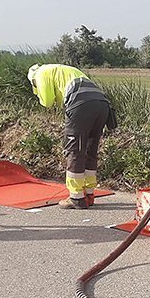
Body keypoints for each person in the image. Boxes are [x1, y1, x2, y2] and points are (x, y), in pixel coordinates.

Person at [27, 63, 114, 209]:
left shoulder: (40, 74)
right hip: (102, 104)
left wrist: (40, 96)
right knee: (89, 151)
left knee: (75, 150)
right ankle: (89, 193)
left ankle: (76, 197)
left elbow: (47, 102)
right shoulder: (62, 70)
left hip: (81, 105)